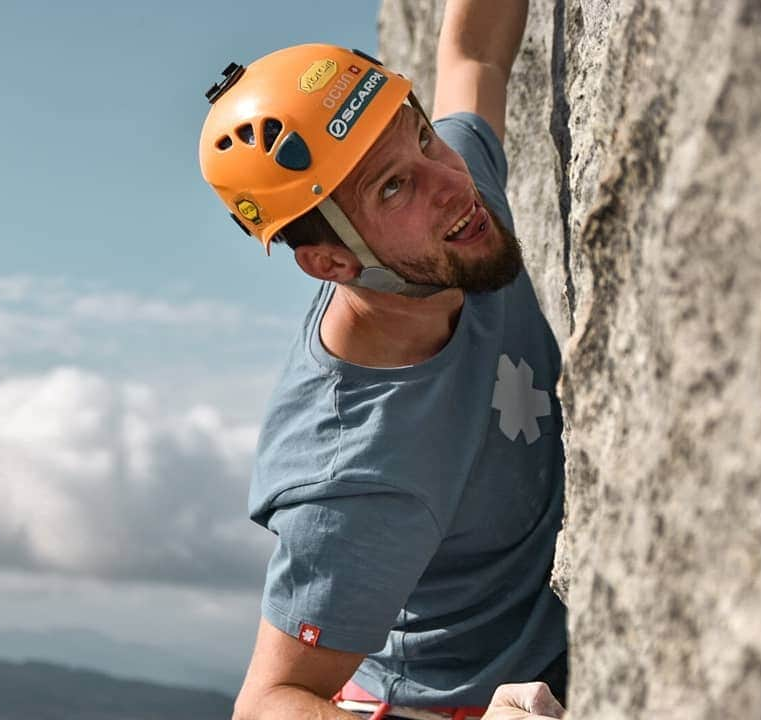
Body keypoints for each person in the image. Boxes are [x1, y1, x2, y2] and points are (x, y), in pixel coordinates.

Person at [197, 2, 567, 719]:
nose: (449, 181)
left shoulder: (458, 216)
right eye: (392, 187)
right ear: (333, 261)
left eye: (424, 137)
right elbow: (269, 702)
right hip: (456, 702)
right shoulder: (354, 474)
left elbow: (474, 57)